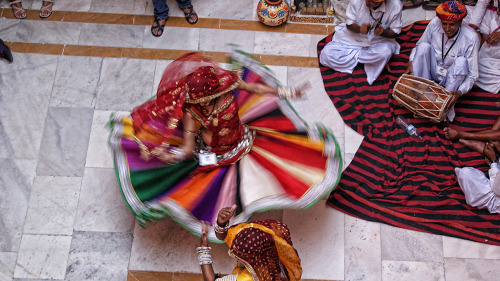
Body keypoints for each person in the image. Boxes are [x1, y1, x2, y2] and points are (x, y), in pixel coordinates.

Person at [108, 52, 342, 241]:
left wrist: (285, 91)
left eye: (202, 99)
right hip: (215, 153)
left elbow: (256, 89)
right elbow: (189, 148)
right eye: (196, 100)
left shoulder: (226, 83)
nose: (198, 103)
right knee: (215, 196)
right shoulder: (191, 111)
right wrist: (171, 156)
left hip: (244, 139)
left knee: (283, 170)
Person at [404, 1, 480, 122]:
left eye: (452, 25)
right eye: (444, 24)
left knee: (461, 62)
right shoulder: (435, 23)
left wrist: (459, 92)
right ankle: (421, 96)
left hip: (451, 79)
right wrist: (411, 62)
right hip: (433, 70)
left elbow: (473, 75)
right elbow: (419, 45)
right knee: (423, 47)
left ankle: (442, 104)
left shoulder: (471, 38)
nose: (447, 28)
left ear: (460, 22)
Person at [197, 205, 302, 281]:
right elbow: (226, 236)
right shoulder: (270, 266)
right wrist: (221, 223)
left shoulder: (246, 278)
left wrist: (203, 247)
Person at [319, 0, 403, 85]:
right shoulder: (356, 1)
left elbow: (396, 32)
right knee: (326, 55)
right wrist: (359, 29)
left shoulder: (396, 5)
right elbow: (349, 24)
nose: (368, 3)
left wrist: (383, 32)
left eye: (374, 2)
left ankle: (359, 60)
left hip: (378, 42)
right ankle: (370, 61)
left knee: (385, 52)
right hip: (353, 40)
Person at [468, 0, 500, 94]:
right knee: (474, 66)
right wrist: (473, 27)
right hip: (493, 14)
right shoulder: (491, 15)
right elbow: (482, 3)